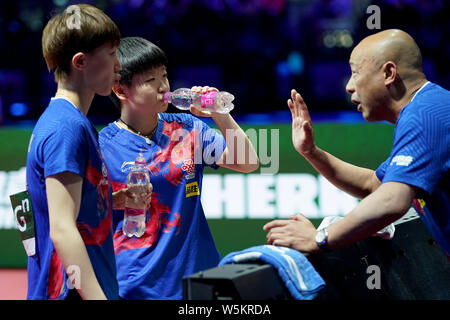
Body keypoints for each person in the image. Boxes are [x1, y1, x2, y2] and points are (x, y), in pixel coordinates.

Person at [264, 29, 449, 259]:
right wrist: (311, 152)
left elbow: (391, 200)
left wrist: (319, 238)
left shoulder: (425, 115)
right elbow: (376, 184)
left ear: (389, 73)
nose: (349, 86)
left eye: (355, 72)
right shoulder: (430, 107)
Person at [99, 37, 259, 299]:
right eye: (151, 80)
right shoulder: (103, 146)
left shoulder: (187, 127)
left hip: (200, 280)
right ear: (120, 90)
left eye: (164, 75)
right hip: (138, 285)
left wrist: (219, 113)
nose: (163, 86)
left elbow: (248, 162)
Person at [26, 4, 122, 299]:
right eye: (111, 54)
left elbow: (65, 210)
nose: (119, 64)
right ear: (80, 62)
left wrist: (112, 199)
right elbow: (62, 229)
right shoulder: (65, 128)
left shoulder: (68, 121)